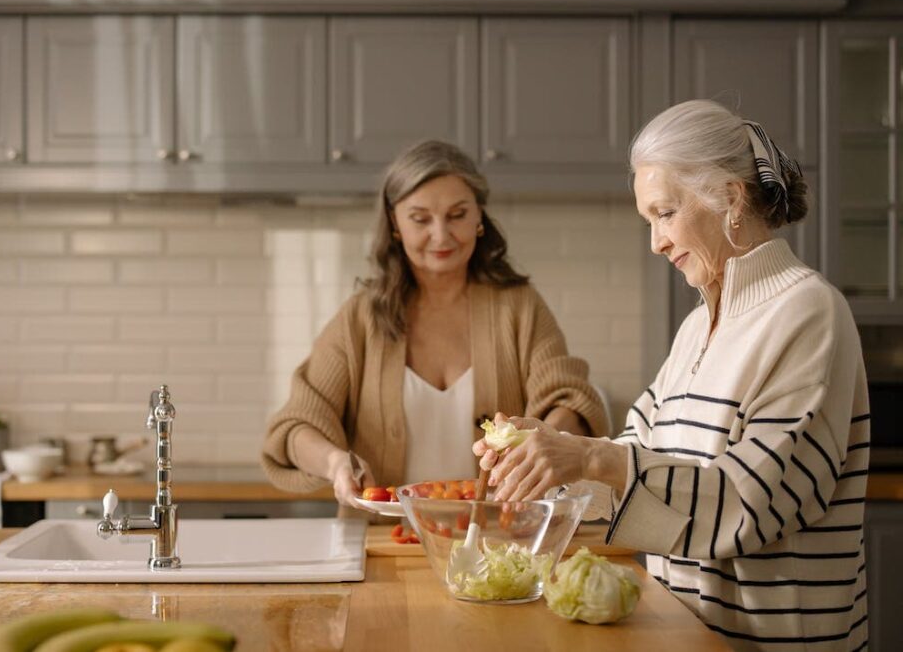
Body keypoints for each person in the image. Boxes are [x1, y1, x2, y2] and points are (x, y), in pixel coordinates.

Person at [476, 101, 869, 650]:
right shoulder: (696, 328)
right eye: (649, 221)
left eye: (665, 213)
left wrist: (589, 457)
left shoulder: (808, 311)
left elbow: (752, 505)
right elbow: (637, 466)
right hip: (683, 637)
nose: (656, 242)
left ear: (730, 199)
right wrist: (548, 453)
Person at [261, 139, 608, 510]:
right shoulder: (361, 318)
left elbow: (569, 400)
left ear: (479, 217)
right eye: (421, 219)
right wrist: (335, 462)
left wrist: (548, 441)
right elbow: (296, 426)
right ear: (395, 223)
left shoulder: (519, 307)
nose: (441, 235)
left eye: (457, 215)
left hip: (500, 543)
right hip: (384, 541)